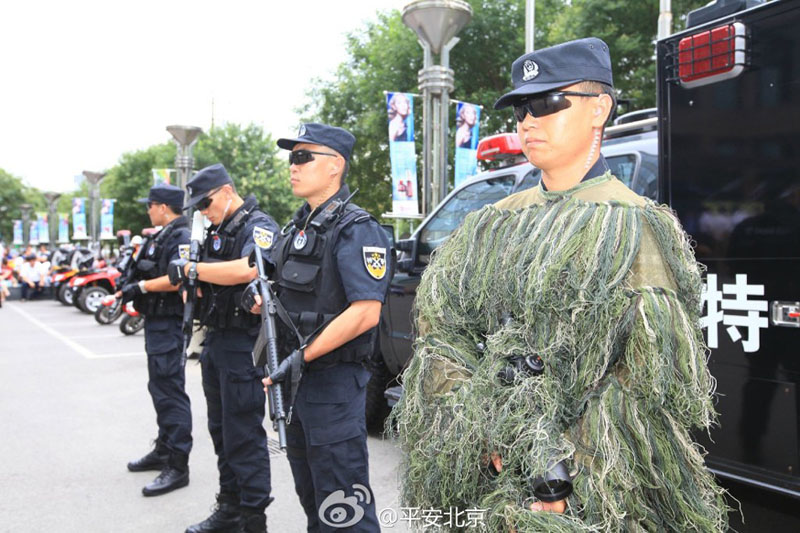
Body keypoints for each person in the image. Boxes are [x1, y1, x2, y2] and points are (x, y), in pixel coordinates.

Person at [393, 38, 728, 531]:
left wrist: (570, 467)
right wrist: (487, 427)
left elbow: (647, 376)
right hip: (486, 470)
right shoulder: (491, 223)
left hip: (591, 492)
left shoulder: (634, 226)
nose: (529, 120)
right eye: (521, 108)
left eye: (548, 103)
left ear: (599, 110)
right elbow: (442, 331)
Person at [242, 123, 389, 532]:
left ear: (334, 166)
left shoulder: (357, 228)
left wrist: (300, 357)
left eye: (303, 157)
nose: (293, 166)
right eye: (292, 157)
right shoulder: (295, 230)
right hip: (295, 382)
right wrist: (256, 299)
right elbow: (276, 290)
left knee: (343, 506)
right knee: (312, 498)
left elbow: (365, 312)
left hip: (332, 384)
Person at [168, 163, 278, 533]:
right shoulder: (216, 230)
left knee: (243, 432)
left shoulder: (257, 225)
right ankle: (230, 507)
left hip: (244, 344)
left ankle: (252, 518)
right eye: (198, 207)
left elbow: (250, 269)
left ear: (228, 191)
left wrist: (193, 271)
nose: (203, 211)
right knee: (221, 431)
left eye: (207, 202)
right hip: (216, 340)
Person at [121, 183, 193, 497]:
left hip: (169, 323)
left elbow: (180, 277)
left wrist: (143, 288)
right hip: (156, 323)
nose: (147, 210)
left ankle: (178, 465)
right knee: (160, 387)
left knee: (170, 390)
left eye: (150, 205)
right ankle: (164, 449)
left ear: (163, 207)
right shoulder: (161, 234)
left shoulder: (180, 236)